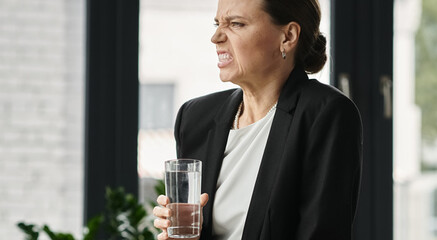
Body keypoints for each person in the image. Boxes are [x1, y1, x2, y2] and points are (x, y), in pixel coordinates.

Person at [153, 0, 363, 239]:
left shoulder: (326, 114)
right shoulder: (195, 117)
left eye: (236, 24)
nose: (216, 37)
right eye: (217, 23)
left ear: (288, 36)